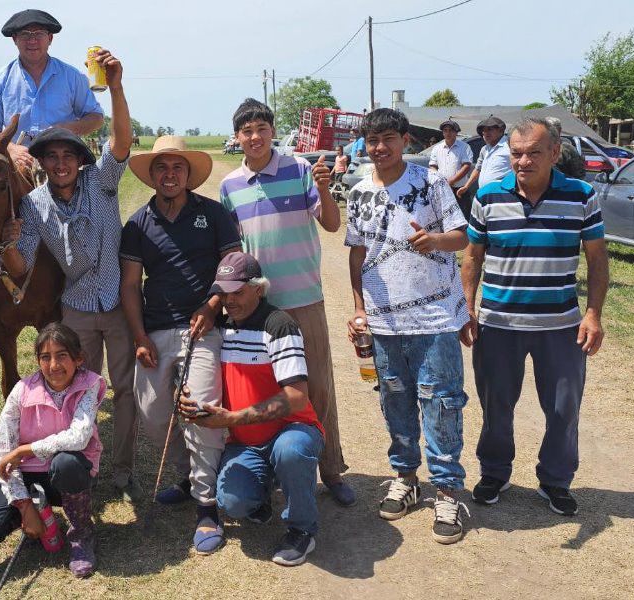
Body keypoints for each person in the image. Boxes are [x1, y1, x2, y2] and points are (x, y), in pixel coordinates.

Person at [0, 49, 141, 502]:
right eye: (52, 156)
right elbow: (20, 265)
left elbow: (121, 141)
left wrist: (115, 88)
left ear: (80, 160)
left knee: (124, 390)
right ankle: (82, 465)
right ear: (41, 162)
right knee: (79, 392)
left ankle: (122, 467)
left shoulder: (102, 181)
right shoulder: (35, 206)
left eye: (68, 155)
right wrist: (8, 243)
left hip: (117, 303)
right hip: (77, 308)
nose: (60, 163)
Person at [462, 117, 609, 516]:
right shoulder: (489, 196)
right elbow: (473, 255)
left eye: (533, 153)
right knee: (496, 406)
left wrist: (592, 315)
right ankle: (494, 472)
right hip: (497, 325)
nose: (523, 162)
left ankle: (555, 480)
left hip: (561, 328)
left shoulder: (581, 195)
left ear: (555, 153)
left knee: (563, 409)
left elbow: (597, 260)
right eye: (516, 154)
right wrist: (468, 308)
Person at [219, 98, 355, 506]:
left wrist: (326, 189)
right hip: (258, 308)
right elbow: (232, 249)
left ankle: (330, 470)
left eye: (262, 128)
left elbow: (331, 224)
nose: (255, 136)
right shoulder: (230, 186)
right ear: (237, 136)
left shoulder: (299, 170)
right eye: (247, 130)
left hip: (303, 299)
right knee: (265, 388)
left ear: (271, 131)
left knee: (317, 388)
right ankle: (281, 466)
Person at [345, 108, 470, 544]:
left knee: (441, 403)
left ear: (404, 140)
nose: (379, 148)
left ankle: (448, 491)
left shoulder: (431, 183)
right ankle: (406, 478)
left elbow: (462, 236)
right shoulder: (358, 193)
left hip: (434, 318)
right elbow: (357, 254)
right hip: (383, 322)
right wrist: (359, 308)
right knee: (394, 402)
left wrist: (434, 240)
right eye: (371, 140)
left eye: (387, 139)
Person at [120, 136, 242, 553]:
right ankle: (186, 476)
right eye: (161, 168)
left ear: (188, 174)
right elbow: (131, 285)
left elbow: (232, 264)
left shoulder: (213, 213)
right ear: (151, 175)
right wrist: (138, 337)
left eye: (177, 168)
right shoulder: (137, 224)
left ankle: (207, 506)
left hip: (204, 329)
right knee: (153, 415)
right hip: (154, 330)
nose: (169, 175)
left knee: (200, 408)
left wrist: (212, 305)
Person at [180, 252, 324, 566]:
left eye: (238, 292)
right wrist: (190, 399)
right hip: (245, 442)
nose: (229, 300)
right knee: (232, 503)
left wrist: (232, 419)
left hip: (292, 429)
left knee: (291, 450)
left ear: (259, 289)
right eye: (224, 292)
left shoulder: (280, 325)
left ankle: (302, 529)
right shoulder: (219, 327)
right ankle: (262, 492)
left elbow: (297, 398)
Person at [0, 323, 105, 578]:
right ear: (37, 361)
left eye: (62, 356)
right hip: (26, 475)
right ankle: (35, 515)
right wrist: (25, 505)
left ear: (78, 358)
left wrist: (26, 449)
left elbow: (80, 436)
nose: (54, 366)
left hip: (65, 474)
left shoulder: (90, 384)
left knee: (66, 464)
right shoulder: (21, 390)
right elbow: (3, 451)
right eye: (45, 357)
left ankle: (82, 534)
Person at [0, 8, 104, 171]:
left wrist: (67, 129)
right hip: (18, 167)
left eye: (39, 34)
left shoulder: (72, 77)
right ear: (15, 39)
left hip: (63, 166)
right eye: (25, 34)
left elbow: (96, 117)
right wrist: (10, 148)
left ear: (50, 38)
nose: (32, 40)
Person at [456, 116, 511, 200]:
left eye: (489, 129)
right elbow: (478, 169)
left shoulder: (510, 146)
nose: (485, 133)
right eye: (483, 130)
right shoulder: (484, 149)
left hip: (502, 196)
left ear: (500, 130)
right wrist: (466, 186)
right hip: (483, 194)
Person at [429, 119, 474, 219]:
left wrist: (451, 181)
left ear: (456, 132)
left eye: (451, 130)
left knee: (463, 217)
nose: (448, 133)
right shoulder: (437, 148)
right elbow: (433, 166)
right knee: (444, 217)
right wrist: (439, 180)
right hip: (442, 189)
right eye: (445, 130)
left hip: (460, 191)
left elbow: (466, 166)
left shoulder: (465, 147)